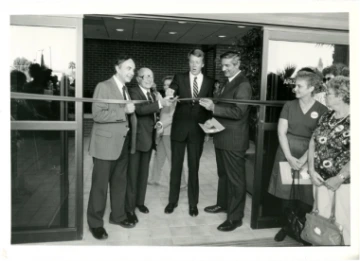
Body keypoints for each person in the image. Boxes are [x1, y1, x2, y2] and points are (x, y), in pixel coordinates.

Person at [267, 67, 328, 242]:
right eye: (295, 86)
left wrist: (302, 160)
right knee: (286, 192)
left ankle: (301, 228)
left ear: (311, 88)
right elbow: (281, 133)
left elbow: (318, 139)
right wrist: (289, 157)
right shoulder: (289, 105)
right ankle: (286, 227)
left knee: (304, 194)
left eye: (299, 86)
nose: (295, 89)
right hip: (287, 153)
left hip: (307, 156)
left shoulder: (322, 110)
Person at [199, 51, 252, 231]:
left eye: (227, 65)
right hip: (222, 137)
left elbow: (238, 112)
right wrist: (211, 120)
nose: (223, 69)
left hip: (234, 141)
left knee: (235, 179)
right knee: (223, 175)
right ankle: (223, 204)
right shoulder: (228, 83)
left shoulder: (243, 84)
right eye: (222, 65)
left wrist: (214, 107)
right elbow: (226, 109)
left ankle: (235, 218)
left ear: (237, 65)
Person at [87, 55, 137, 240]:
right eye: (128, 68)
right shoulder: (104, 86)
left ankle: (118, 216)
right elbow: (97, 114)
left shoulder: (125, 89)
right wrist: (123, 111)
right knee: (100, 186)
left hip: (122, 144)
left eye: (133, 69)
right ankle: (95, 224)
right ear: (117, 68)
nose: (131, 72)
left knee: (119, 183)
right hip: (105, 145)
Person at [164, 49, 214, 217]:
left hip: (197, 131)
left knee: (194, 168)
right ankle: (172, 201)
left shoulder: (209, 81)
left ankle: (193, 204)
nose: (194, 65)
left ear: (202, 64)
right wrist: (170, 92)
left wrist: (208, 131)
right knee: (176, 167)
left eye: (197, 62)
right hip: (179, 129)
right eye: (192, 61)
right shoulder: (179, 77)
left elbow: (209, 109)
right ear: (189, 62)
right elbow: (172, 89)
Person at [308, 76, 350, 245]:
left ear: (341, 95)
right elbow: (313, 141)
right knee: (320, 223)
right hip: (319, 180)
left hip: (345, 184)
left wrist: (340, 177)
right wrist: (311, 169)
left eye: (329, 93)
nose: (325, 96)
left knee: (344, 225)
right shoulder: (326, 116)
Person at [126, 68, 171, 224]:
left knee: (143, 174)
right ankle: (129, 209)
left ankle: (139, 202)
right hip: (137, 141)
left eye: (151, 76)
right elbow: (139, 110)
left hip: (148, 140)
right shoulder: (133, 91)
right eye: (146, 76)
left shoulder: (152, 93)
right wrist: (159, 103)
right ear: (138, 79)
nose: (149, 78)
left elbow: (153, 114)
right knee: (133, 175)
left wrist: (158, 122)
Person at [148, 76, 188, 188]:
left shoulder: (177, 100)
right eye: (165, 85)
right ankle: (154, 179)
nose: (167, 87)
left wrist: (161, 124)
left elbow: (174, 117)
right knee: (158, 157)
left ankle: (182, 183)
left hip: (170, 134)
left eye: (169, 85)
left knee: (174, 159)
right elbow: (158, 103)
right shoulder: (166, 98)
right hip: (161, 133)